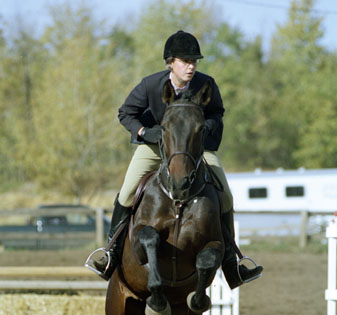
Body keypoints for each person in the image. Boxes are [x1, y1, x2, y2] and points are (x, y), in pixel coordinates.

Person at [86, 30, 263, 289]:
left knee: (226, 196)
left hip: (193, 150)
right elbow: (126, 113)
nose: (191, 66)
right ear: (170, 62)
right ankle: (110, 254)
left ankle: (231, 262)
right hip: (155, 149)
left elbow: (217, 113)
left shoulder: (206, 84)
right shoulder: (150, 85)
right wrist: (145, 131)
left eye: (194, 61)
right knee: (126, 194)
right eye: (185, 61)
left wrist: (204, 126)